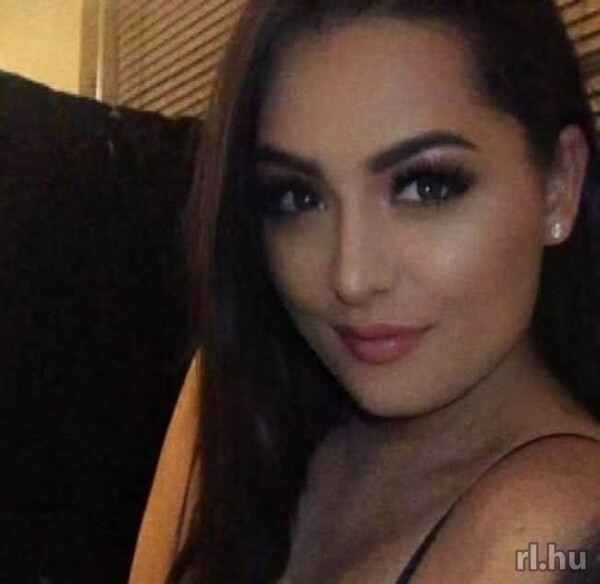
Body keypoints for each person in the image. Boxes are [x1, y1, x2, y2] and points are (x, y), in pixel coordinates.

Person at [168, 1, 600, 582]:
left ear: (558, 184)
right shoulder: (274, 432)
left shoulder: (557, 535)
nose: (351, 277)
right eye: (297, 196)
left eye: (426, 187)